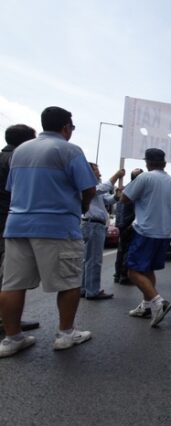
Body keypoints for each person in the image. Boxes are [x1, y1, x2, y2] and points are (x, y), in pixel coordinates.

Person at [0, 106, 96, 358]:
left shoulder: (20, 151)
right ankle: (65, 334)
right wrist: (83, 206)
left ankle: (11, 338)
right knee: (69, 281)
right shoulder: (69, 150)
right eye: (72, 127)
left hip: (17, 226)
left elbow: (12, 188)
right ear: (66, 126)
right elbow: (89, 189)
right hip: (57, 227)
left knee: (12, 284)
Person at [122, 148, 171, 327]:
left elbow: (125, 198)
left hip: (145, 232)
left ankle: (158, 302)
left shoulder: (145, 178)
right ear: (164, 163)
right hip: (164, 233)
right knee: (147, 270)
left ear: (147, 162)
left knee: (132, 271)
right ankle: (146, 306)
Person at [0, 125, 39, 332]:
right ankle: (7, 323)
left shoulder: (3, 157)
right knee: (10, 278)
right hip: (10, 223)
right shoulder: (16, 159)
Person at [81, 163, 125, 300]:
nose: (99, 174)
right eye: (97, 171)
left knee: (88, 260)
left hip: (93, 226)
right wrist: (116, 176)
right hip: (93, 225)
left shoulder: (95, 187)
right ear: (89, 172)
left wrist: (116, 197)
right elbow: (102, 189)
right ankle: (92, 291)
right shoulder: (87, 184)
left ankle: (84, 288)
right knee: (94, 260)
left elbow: (107, 199)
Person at [113, 168, 143, 284]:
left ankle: (118, 274)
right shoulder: (135, 190)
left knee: (122, 250)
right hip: (130, 224)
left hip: (122, 224)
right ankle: (124, 275)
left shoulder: (124, 189)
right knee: (128, 251)